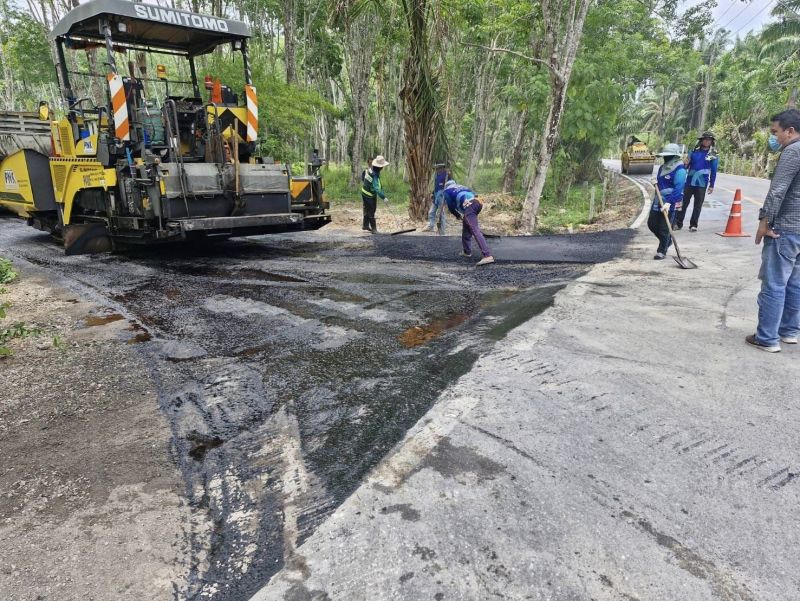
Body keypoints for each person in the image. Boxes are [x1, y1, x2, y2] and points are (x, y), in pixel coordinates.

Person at [745, 109, 800, 353]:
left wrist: (763, 222)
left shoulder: (792, 151)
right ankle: (788, 331)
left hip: (785, 229)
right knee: (795, 284)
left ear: (790, 131)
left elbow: (778, 190)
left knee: (775, 283)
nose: (774, 138)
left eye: (776, 132)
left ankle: (767, 337)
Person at [647, 143, 687, 260]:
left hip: (671, 202)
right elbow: (660, 184)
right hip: (658, 200)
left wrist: (669, 203)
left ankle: (661, 251)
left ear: (675, 156)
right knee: (652, 224)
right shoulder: (662, 167)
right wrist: (654, 183)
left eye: (668, 156)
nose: (665, 158)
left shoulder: (680, 169)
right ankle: (667, 240)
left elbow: (678, 188)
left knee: (665, 228)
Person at [443, 179, 494, 266]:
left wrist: (457, 215)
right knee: (467, 227)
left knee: (474, 229)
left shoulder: (447, 191)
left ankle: (487, 255)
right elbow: (475, 194)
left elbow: (451, 206)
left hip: (470, 205)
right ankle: (467, 251)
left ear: (446, 186)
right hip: (478, 203)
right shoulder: (462, 187)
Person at [675, 131, 718, 232]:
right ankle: (678, 223)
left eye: (709, 140)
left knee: (697, 205)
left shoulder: (712, 154)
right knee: (683, 204)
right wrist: (685, 164)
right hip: (689, 182)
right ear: (701, 140)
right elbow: (686, 166)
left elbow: (714, 170)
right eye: (705, 139)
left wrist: (711, 185)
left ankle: (693, 225)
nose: (707, 141)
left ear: (712, 142)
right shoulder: (693, 152)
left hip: (702, 183)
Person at [360, 155, 389, 233]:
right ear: (380, 167)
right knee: (371, 211)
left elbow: (364, 179)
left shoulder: (370, 169)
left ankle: (365, 225)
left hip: (365, 192)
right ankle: (374, 229)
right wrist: (384, 197)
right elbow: (377, 188)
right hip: (368, 194)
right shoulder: (374, 175)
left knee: (367, 209)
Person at [424, 163, 450, 234]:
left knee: (441, 213)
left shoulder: (446, 175)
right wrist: (433, 193)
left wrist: (449, 174)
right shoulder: (437, 175)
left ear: (442, 168)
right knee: (431, 212)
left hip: (441, 196)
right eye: (436, 168)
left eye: (438, 168)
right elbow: (436, 187)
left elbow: (450, 185)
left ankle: (442, 230)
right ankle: (431, 226)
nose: (437, 169)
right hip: (436, 195)